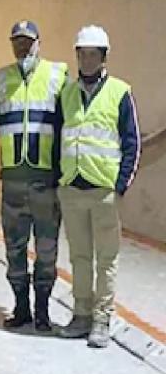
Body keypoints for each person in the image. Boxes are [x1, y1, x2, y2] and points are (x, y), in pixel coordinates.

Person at [56, 25, 141, 348]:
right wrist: (58, 180)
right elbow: (58, 140)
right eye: (82, 54)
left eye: (93, 54)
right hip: (72, 188)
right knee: (79, 256)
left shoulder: (120, 92)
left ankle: (102, 319)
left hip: (103, 190)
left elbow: (132, 141)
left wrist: (120, 185)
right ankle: (81, 315)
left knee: (106, 258)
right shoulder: (67, 93)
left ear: (103, 57)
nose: (87, 60)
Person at [0, 20, 67, 332]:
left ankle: (43, 309)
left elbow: (65, 120)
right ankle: (21, 307)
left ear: (39, 42)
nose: (22, 46)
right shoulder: (2, 78)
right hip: (14, 182)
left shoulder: (58, 75)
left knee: (46, 249)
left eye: (28, 40)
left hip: (46, 181)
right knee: (14, 247)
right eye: (17, 41)